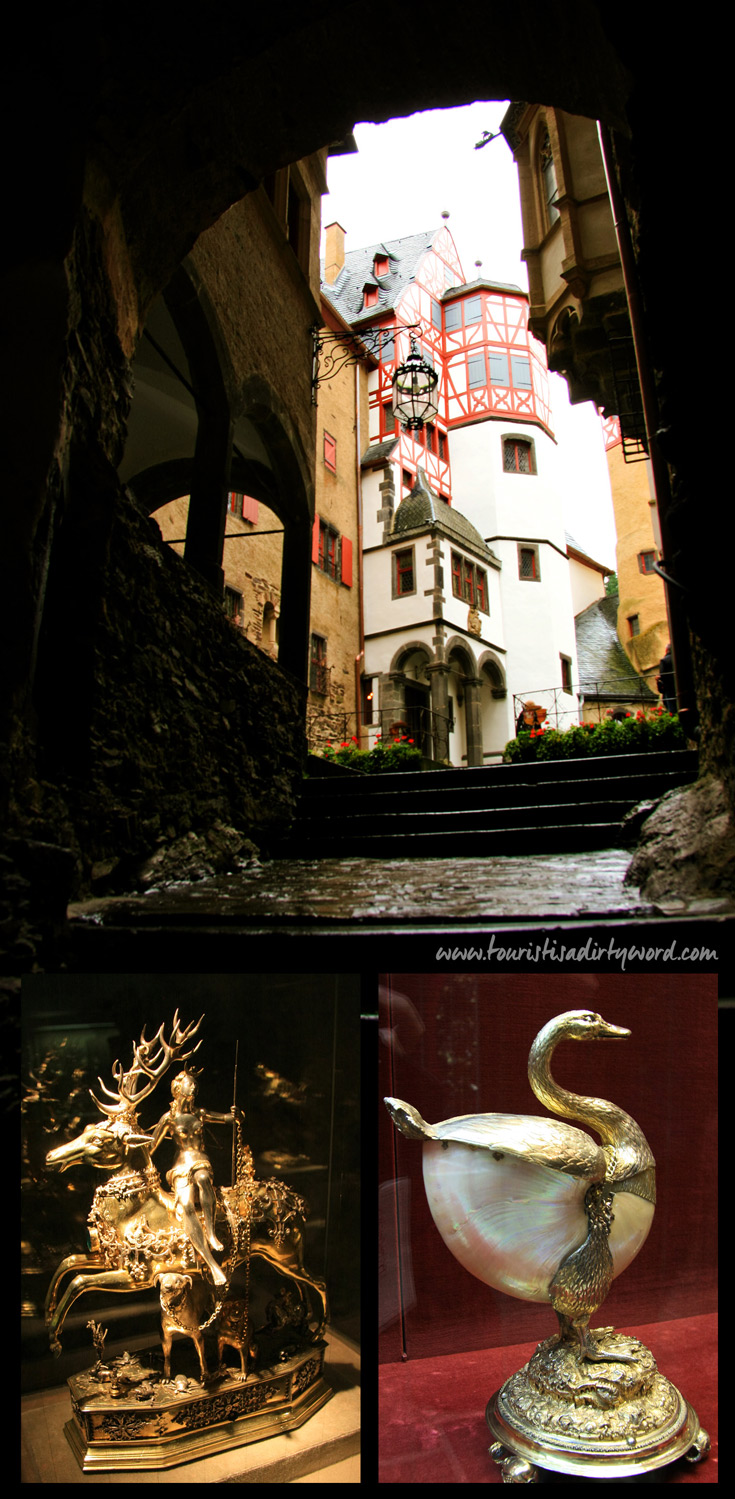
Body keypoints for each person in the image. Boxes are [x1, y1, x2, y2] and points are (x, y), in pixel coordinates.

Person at [148, 1070, 242, 1286]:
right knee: (187, 1205)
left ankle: (210, 1233)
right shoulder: (169, 1119)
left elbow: (226, 1119)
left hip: (200, 1160)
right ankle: (211, 1264)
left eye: (195, 1086)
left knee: (202, 1179)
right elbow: (151, 1146)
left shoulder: (200, 1113)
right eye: (190, 1085)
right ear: (178, 1088)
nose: (194, 1089)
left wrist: (236, 1116)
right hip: (180, 1165)